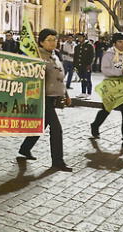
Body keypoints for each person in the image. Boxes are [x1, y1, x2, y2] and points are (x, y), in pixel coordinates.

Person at [18, 29, 72, 172]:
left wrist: (66, 94)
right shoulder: (36, 56)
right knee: (56, 129)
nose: (53, 42)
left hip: (53, 97)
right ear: (41, 42)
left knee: (42, 126)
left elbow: (59, 77)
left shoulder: (55, 55)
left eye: (55, 39)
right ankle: (58, 161)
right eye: (49, 39)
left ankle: (25, 148)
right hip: (42, 98)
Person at [73, 33, 94, 99]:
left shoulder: (89, 46)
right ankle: (83, 92)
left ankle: (89, 93)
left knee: (87, 79)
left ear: (84, 38)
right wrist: (75, 65)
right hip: (80, 66)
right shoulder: (77, 47)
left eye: (80, 37)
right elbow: (75, 57)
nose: (79, 39)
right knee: (82, 79)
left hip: (86, 66)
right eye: (78, 37)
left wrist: (89, 64)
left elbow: (92, 56)